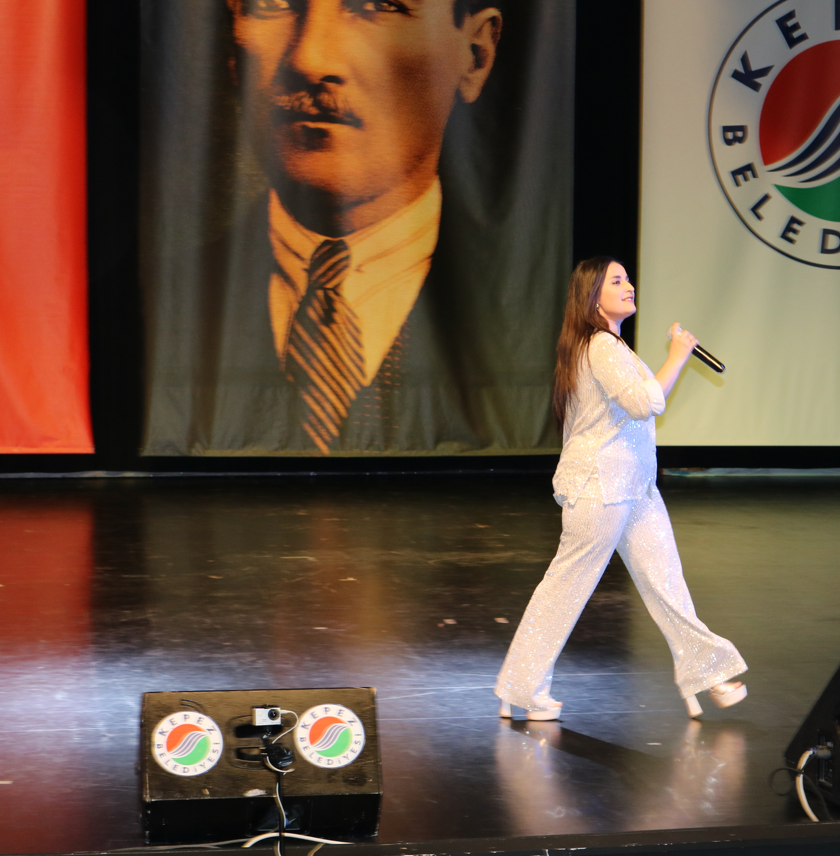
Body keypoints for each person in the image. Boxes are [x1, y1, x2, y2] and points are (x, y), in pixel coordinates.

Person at [200, 0, 503, 453]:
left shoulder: (534, 307)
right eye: (273, 4)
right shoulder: (166, 300)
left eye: (376, 5)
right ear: (231, 44)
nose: (309, 59)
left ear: (475, 56)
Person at [494, 257, 748, 721]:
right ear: (592, 297)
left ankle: (706, 671)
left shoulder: (611, 347)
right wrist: (677, 356)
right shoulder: (600, 346)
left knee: (667, 583)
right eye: (616, 280)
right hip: (600, 487)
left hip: (635, 488)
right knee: (567, 587)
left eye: (628, 278)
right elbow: (643, 403)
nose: (628, 285)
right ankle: (521, 687)